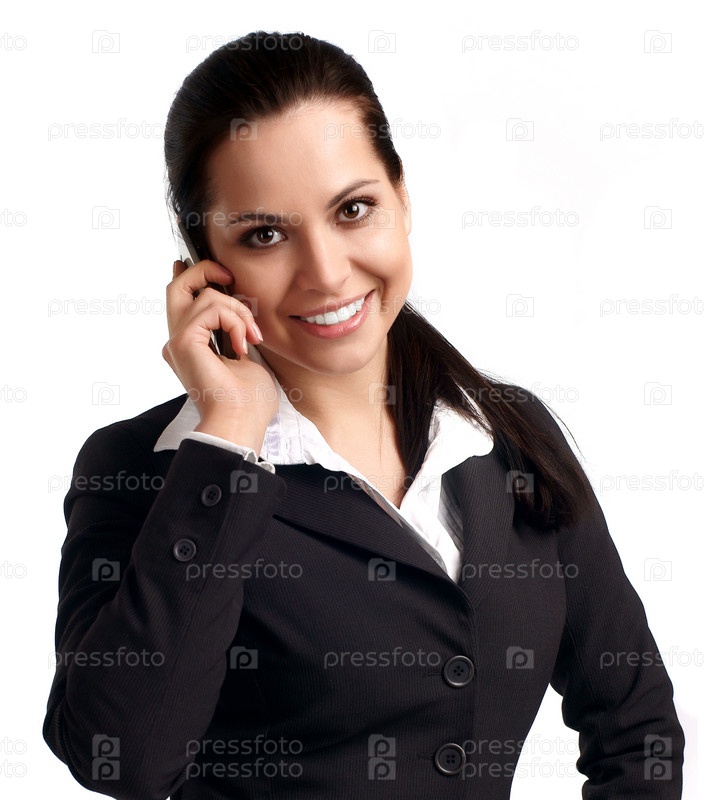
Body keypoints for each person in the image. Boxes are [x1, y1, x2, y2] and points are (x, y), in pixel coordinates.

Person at [43, 30, 685, 800]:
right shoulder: (145, 470)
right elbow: (122, 757)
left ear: (402, 199)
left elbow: (636, 727)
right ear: (204, 267)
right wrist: (228, 437)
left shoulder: (511, 437)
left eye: (353, 209)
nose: (325, 272)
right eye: (265, 234)